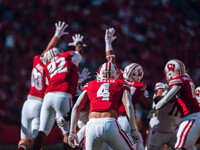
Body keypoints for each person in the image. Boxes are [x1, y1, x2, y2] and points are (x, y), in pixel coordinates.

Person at [17, 21, 68, 150]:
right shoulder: (53, 70)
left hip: (27, 103)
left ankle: (22, 148)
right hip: (39, 105)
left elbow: (47, 50)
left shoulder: (37, 60)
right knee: (36, 142)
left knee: (23, 140)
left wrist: (56, 35)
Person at [32, 32, 85, 150]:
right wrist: (78, 43)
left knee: (42, 131)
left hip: (48, 97)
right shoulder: (66, 56)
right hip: (63, 96)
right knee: (67, 132)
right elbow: (79, 54)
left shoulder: (47, 66)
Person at [68, 62, 139, 150]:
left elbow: (76, 107)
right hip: (110, 124)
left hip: (92, 125)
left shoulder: (89, 84)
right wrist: (133, 129)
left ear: (99, 74)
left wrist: (72, 132)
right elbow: (128, 106)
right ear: (116, 74)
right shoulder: (121, 83)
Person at [104, 27, 151, 150]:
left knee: (138, 144)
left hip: (112, 119)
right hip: (127, 120)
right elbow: (147, 106)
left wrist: (108, 43)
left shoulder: (117, 79)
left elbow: (110, 60)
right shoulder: (138, 86)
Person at [153, 59, 200, 150]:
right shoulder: (188, 80)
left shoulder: (177, 81)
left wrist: (156, 107)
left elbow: (163, 99)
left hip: (190, 119)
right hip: (191, 119)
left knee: (180, 148)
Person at [147, 82, 181, 150]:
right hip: (158, 131)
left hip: (174, 131)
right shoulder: (163, 86)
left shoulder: (185, 91)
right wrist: (173, 94)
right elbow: (158, 99)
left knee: (188, 147)